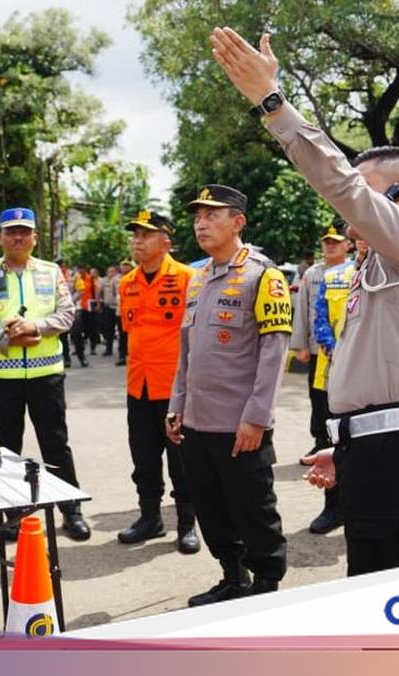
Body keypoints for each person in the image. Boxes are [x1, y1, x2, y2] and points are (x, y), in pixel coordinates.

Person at [208, 28, 399, 576]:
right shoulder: (378, 262)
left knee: (378, 592)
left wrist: (272, 103)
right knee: (371, 582)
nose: (349, 203)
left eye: (365, 191)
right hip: (378, 447)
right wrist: (346, 445)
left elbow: (339, 183)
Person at [166, 185, 292, 605]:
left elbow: (274, 354)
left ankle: (266, 588)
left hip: (240, 426)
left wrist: (257, 418)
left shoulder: (263, 276)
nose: (200, 224)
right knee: (212, 508)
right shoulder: (198, 278)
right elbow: (187, 350)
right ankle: (233, 578)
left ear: (238, 222)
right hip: (197, 421)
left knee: (253, 509)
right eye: (197, 216)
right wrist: (177, 404)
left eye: (211, 215)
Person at [0, 207, 91, 541]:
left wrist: (35, 326)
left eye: (24, 231)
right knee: (6, 449)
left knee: (56, 444)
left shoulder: (51, 272)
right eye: (11, 231)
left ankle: (71, 510)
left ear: (35, 237)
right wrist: (5, 338)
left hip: (46, 376)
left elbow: (67, 315)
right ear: (0, 238)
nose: (18, 237)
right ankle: (13, 515)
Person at [116, 211, 199, 554]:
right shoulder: (126, 283)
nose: (137, 240)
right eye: (135, 234)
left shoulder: (188, 278)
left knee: (182, 461)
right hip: (138, 386)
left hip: (175, 388)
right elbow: (129, 332)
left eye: (146, 234)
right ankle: (150, 518)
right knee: (144, 458)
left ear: (165, 242)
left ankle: (187, 523)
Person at [304, 225, 356, 535]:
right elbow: (319, 316)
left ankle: (360, 507)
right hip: (331, 369)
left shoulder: (391, 272)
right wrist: (333, 348)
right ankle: (333, 507)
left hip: (372, 375)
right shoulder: (332, 276)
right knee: (332, 439)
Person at [290, 237, 329, 461]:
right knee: (318, 397)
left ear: (347, 245)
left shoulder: (353, 271)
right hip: (317, 349)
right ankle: (321, 441)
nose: (330, 246)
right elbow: (302, 310)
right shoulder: (312, 274)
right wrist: (300, 345)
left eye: (336, 242)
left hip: (346, 350)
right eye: (327, 242)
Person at [70, 263, 96, 366]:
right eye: (78, 269)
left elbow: (83, 291)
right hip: (75, 308)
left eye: (82, 269)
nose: (80, 271)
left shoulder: (88, 279)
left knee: (88, 329)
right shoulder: (71, 278)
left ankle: (89, 350)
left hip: (85, 307)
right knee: (76, 332)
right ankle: (70, 356)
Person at [100, 264, 121, 357]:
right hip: (108, 307)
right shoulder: (104, 281)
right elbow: (100, 293)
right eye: (109, 271)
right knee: (109, 329)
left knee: (120, 330)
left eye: (113, 271)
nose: (111, 273)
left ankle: (122, 350)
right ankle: (109, 349)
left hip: (117, 307)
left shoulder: (120, 280)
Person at [115, 260, 133, 365]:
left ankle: (131, 354)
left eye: (127, 265)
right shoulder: (116, 279)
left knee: (131, 335)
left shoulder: (135, 277)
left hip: (132, 310)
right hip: (120, 310)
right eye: (123, 265)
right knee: (121, 335)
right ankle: (122, 356)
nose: (125, 267)